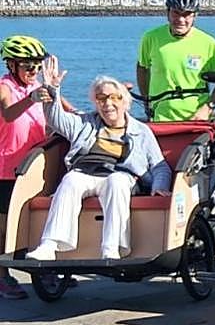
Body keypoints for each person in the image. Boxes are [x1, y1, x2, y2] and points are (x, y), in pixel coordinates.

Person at [26, 58, 170, 261]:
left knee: (117, 181)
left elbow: (159, 165)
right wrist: (52, 90)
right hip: (86, 172)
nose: (108, 104)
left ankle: (111, 248)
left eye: (114, 98)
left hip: (120, 175)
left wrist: (159, 185)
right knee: (70, 180)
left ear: (125, 101)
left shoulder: (141, 131)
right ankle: (49, 245)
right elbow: (55, 119)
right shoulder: (84, 123)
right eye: (101, 98)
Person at [0, 37, 78, 298]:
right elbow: (9, 114)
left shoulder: (39, 85)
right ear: (11, 65)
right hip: (8, 168)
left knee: (41, 217)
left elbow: (71, 112)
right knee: (4, 227)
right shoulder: (5, 87)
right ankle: (2, 276)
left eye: (36, 66)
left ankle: (46, 268)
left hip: (39, 164)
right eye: (27, 66)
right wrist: (32, 99)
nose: (32, 71)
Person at [136, 0, 215, 121]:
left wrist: (207, 108)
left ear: (194, 16)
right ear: (167, 13)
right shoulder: (151, 38)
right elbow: (142, 68)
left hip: (195, 119)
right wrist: (146, 99)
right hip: (160, 117)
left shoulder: (209, 43)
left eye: (186, 15)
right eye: (176, 13)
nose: (181, 19)